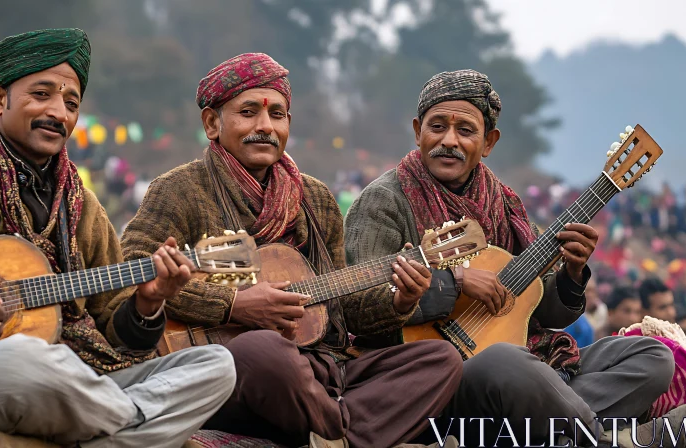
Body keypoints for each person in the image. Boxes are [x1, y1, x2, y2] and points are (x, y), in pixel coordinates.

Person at [0, 29, 235, 448]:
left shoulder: (84, 209)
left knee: (216, 366)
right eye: (41, 95)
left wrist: (148, 303)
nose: (59, 113)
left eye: (71, 103)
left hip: (71, 382)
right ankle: (130, 422)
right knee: (18, 356)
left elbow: (115, 336)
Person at [120, 53, 462, 448]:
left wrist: (399, 300)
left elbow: (343, 306)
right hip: (232, 370)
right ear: (212, 124)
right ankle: (352, 434)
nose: (264, 126)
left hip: (322, 368)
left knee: (439, 359)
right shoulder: (179, 190)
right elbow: (133, 274)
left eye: (277, 115)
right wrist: (232, 305)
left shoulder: (314, 197)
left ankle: (331, 435)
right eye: (248, 113)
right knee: (258, 348)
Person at [344, 69, 680, 446]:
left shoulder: (506, 204)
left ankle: (543, 429)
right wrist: (455, 285)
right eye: (437, 126)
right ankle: (598, 438)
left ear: (488, 142)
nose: (448, 141)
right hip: (432, 378)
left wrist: (571, 272)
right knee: (504, 361)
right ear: (417, 130)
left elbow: (540, 314)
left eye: (466, 131)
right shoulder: (384, 200)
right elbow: (357, 305)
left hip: (522, 365)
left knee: (653, 357)